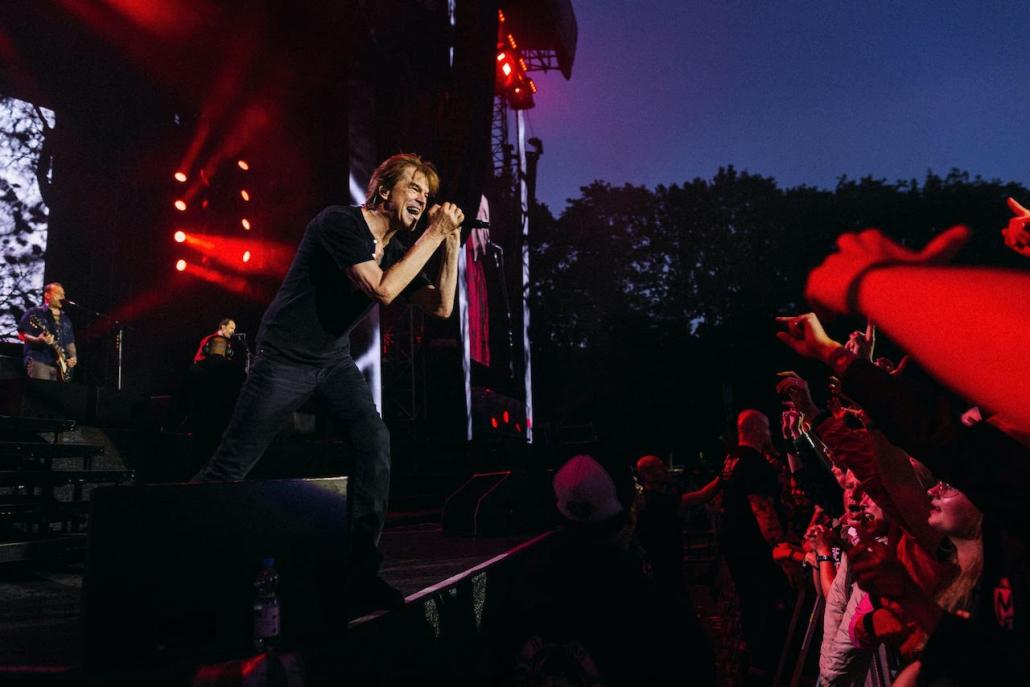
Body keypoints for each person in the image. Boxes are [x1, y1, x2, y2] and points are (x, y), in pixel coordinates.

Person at [192, 153, 463, 614]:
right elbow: (382, 290)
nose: (423, 198)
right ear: (382, 189)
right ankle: (170, 544)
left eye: (428, 194)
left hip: (333, 361)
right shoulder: (339, 222)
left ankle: (359, 574)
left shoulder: (400, 249)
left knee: (374, 441)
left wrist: (450, 246)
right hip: (284, 356)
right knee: (233, 463)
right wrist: (435, 234)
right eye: (415, 187)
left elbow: (441, 308)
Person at [17, 282, 77, 381]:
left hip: (60, 366)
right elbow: (21, 334)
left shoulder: (65, 319)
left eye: (63, 294)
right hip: (39, 360)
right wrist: (37, 340)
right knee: (41, 393)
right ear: (47, 295)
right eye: (58, 293)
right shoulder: (34, 313)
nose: (62, 297)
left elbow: (70, 342)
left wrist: (73, 358)